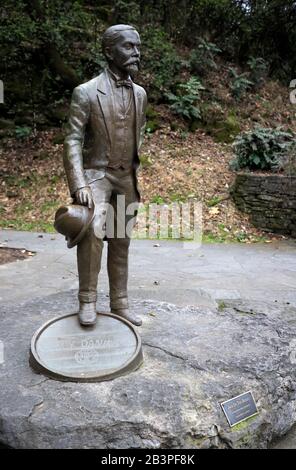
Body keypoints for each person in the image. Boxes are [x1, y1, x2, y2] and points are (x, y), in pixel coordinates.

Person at [63, 24, 147, 327]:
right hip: (97, 176)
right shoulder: (85, 92)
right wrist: (79, 183)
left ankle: (120, 302)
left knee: (121, 240)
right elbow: (73, 139)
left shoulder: (140, 94)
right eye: (128, 46)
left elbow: (139, 132)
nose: (136, 53)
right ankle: (87, 300)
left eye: (137, 47)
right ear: (109, 51)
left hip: (127, 178)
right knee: (93, 232)